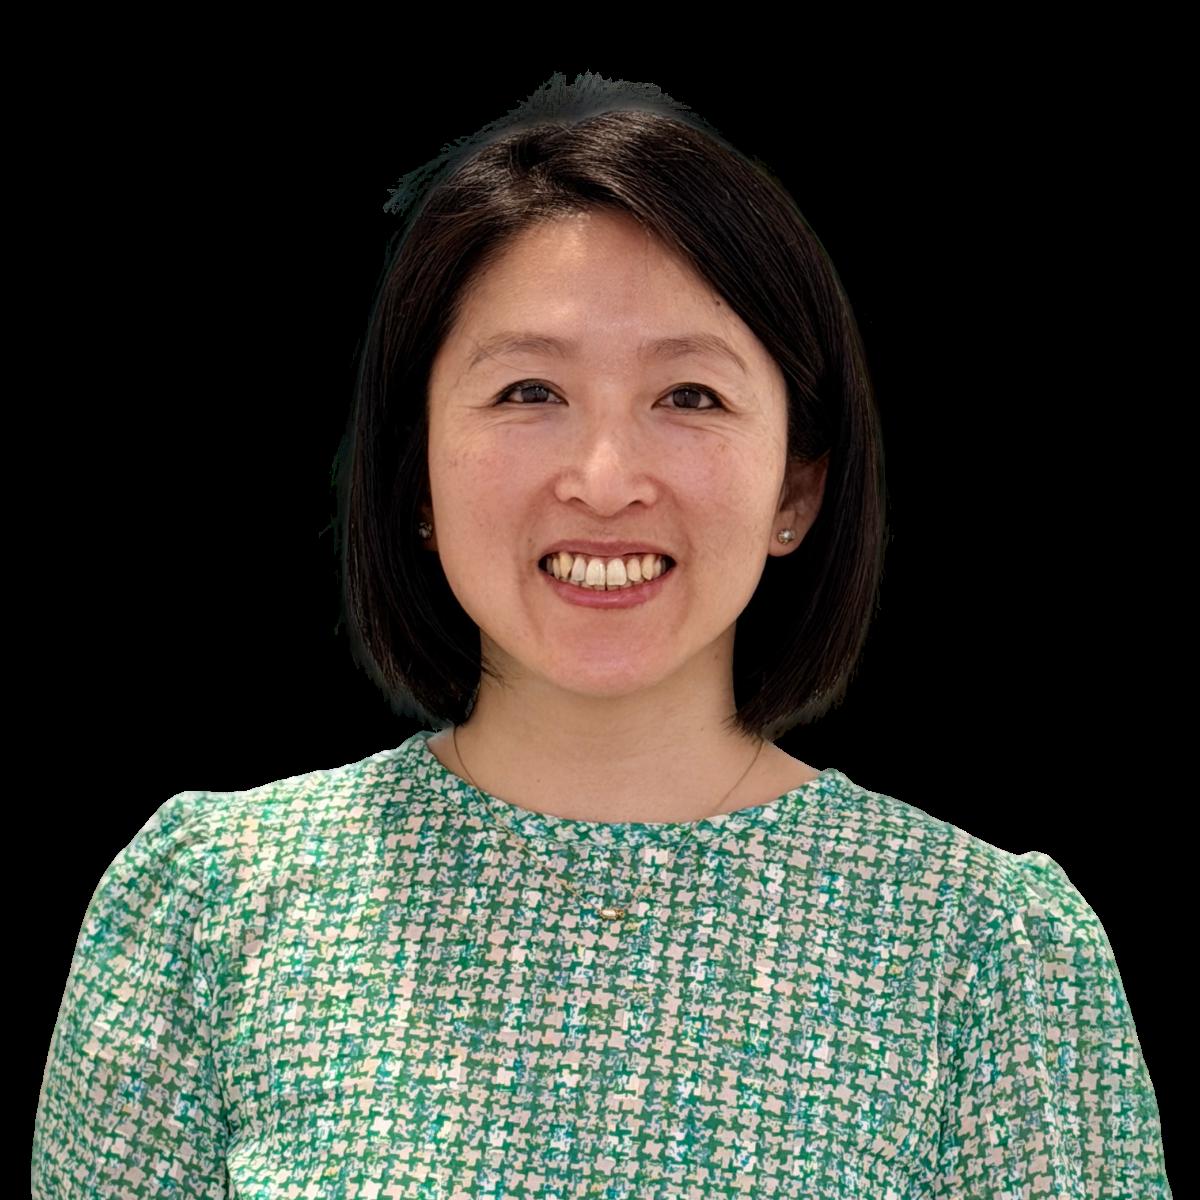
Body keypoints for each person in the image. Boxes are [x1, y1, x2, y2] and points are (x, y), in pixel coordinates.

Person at [32, 72, 1171, 1199]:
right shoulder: (207, 906)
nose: (606, 480)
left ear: (799, 488)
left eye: (690, 397)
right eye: (530, 391)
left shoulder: (990, 957)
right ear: (414, 473)